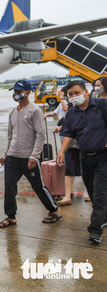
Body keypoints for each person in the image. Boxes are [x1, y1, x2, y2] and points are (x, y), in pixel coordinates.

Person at [0, 80, 61, 229]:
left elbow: (40, 135)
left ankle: (54, 210)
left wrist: (34, 156)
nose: (16, 94)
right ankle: (11, 216)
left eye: (19, 91)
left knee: (38, 186)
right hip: (13, 157)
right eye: (15, 91)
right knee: (9, 186)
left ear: (27, 92)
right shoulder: (13, 112)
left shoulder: (35, 111)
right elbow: (10, 136)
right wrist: (6, 154)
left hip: (28, 157)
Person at [57, 80, 107, 244]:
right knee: (93, 193)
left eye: (77, 93)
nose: (73, 97)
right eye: (70, 94)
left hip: (103, 157)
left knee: (100, 194)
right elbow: (69, 134)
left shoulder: (102, 105)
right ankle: (103, 217)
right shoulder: (71, 113)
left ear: (86, 91)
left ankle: (95, 230)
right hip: (84, 157)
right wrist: (61, 152)